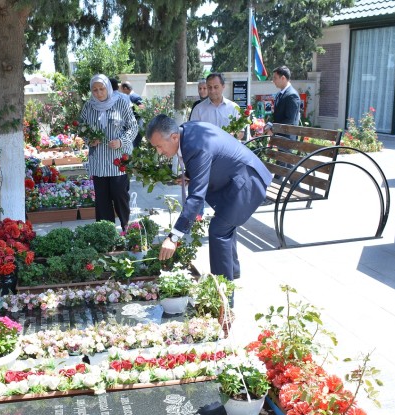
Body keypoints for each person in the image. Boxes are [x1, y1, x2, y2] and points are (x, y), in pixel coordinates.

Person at [146, 114, 272, 282]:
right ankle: (232, 271)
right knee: (226, 225)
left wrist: (173, 237)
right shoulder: (186, 132)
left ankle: (224, 293)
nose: (159, 152)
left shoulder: (196, 146)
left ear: (174, 137)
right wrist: (191, 175)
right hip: (238, 178)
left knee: (219, 230)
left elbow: (196, 197)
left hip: (247, 183)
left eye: (159, 146)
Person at [80, 74, 138, 230]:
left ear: (108, 88)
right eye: (95, 90)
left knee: (120, 194)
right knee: (102, 199)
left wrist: (121, 141)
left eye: (102, 89)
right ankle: (106, 231)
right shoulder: (88, 106)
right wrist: (89, 139)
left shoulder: (121, 103)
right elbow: (82, 128)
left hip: (118, 160)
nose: (99, 93)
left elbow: (133, 127)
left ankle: (126, 227)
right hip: (99, 160)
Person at [265, 65, 301, 138]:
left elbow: (290, 119)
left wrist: (273, 129)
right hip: (279, 136)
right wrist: (270, 124)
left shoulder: (292, 95)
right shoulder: (280, 94)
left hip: (287, 138)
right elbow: (278, 115)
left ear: (283, 78)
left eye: (275, 78)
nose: (273, 81)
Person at [120, 81, 144, 148]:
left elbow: (142, 108)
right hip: (132, 125)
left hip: (136, 125)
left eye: (121, 90)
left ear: (125, 88)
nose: (121, 92)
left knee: (135, 146)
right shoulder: (130, 96)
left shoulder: (134, 97)